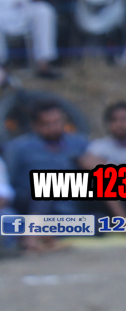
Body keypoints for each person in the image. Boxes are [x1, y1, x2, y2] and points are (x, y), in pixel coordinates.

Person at [4, 100, 102, 250]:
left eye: (57, 122)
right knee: (47, 184)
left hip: (66, 209)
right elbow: (7, 181)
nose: (53, 128)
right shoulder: (18, 148)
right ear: (35, 125)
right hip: (29, 203)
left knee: (100, 222)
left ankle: (46, 232)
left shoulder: (79, 143)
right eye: (47, 124)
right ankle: (33, 236)